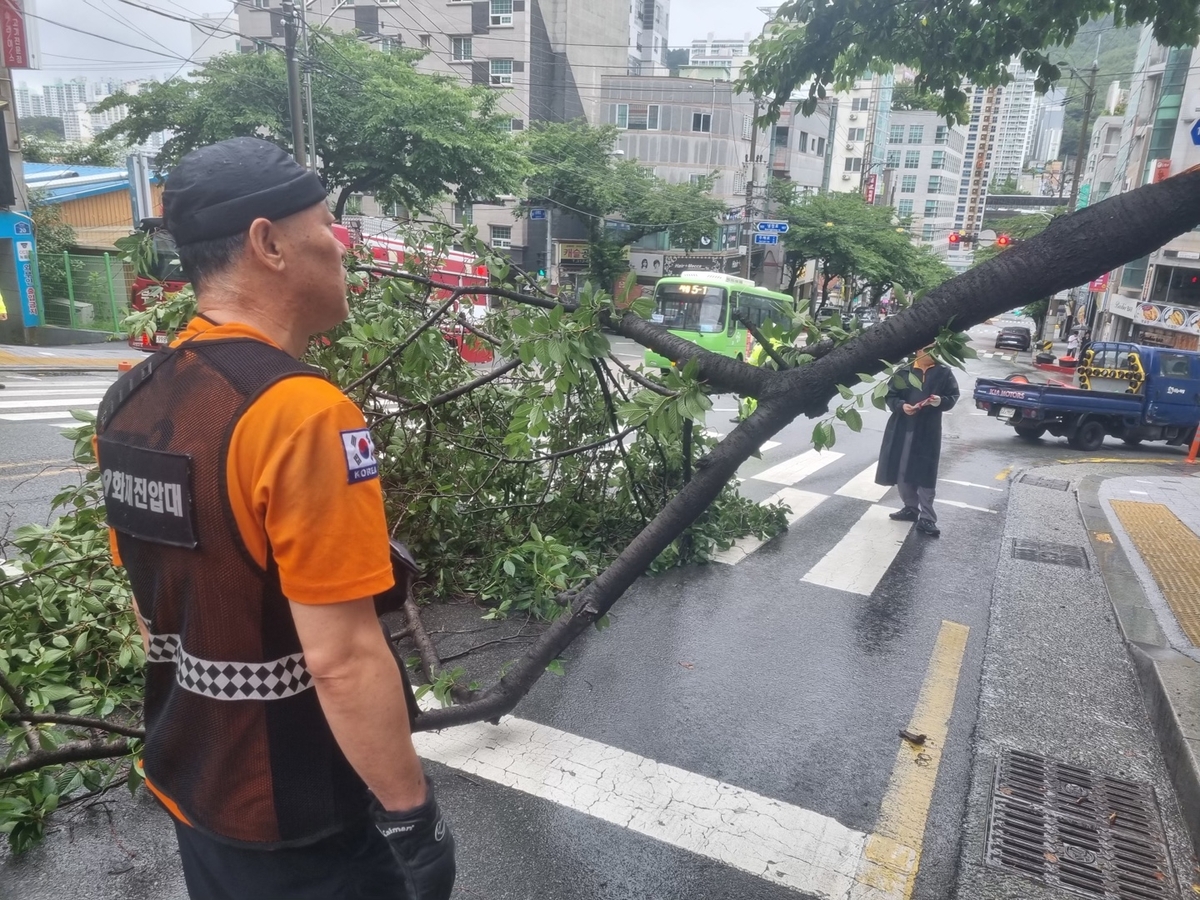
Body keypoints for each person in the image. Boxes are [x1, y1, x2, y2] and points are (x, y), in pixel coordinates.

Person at [94, 137, 455, 900]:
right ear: (270, 244)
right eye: (327, 226)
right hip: (303, 817)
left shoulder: (130, 398)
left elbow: (150, 605)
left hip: (195, 788)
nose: (342, 248)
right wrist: (410, 816)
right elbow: (344, 657)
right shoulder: (301, 414)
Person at [874, 345, 960, 537]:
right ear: (918, 351)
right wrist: (901, 406)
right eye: (927, 349)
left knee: (925, 470)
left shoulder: (944, 372)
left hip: (928, 429)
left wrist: (940, 401)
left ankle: (928, 518)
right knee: (903, 467)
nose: (931, 353)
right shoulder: (905, 371)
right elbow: (890, 395)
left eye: (935, 349)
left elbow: (952, 396)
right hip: (903, 426)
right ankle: (910, 508)